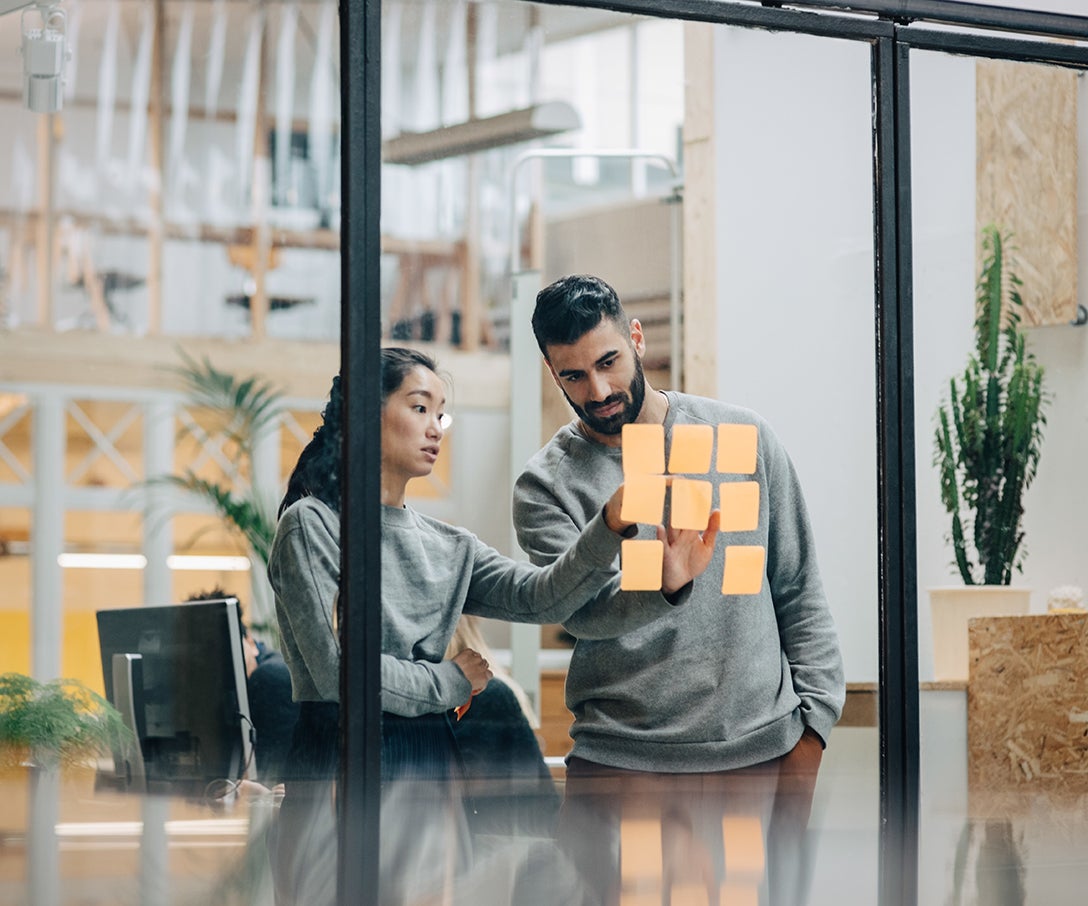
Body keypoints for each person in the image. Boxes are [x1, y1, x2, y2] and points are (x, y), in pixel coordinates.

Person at [265, 346, 720, 906]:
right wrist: (452, 681)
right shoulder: (311, 525)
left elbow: (544, 597)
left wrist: (613, 527)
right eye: (419, 407)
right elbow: (343, 676)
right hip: (339, 759)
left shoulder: (447, 544)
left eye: (442, 413)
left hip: (430, 759)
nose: (436, 427)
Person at [512, 274, 846, 906]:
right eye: (573, 376)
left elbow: (799, 591)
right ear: (552, 373)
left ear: (636, 339)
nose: (600, 390)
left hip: (758, 760)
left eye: (608, 361)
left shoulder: (741, 440)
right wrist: (663, 588)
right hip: (620, 769)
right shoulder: (546, 486)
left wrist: (811, 739)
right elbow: (580, 614)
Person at [184, 587, 299, 787]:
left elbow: (265, 780)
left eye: (227, 649)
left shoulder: (271, 678)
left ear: (251, 642)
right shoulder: (227, 694)